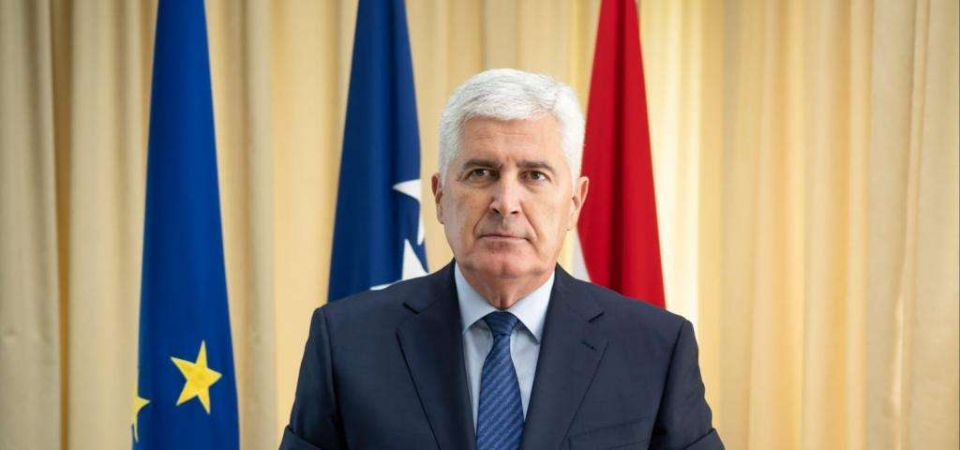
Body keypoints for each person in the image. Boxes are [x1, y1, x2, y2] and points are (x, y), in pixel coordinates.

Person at [280, 69, 722, 450]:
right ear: (440, 196)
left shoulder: (656, 349)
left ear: (574, 202)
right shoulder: (346, 342)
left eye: (534, 175)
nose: (506, 202)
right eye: (481, 173)